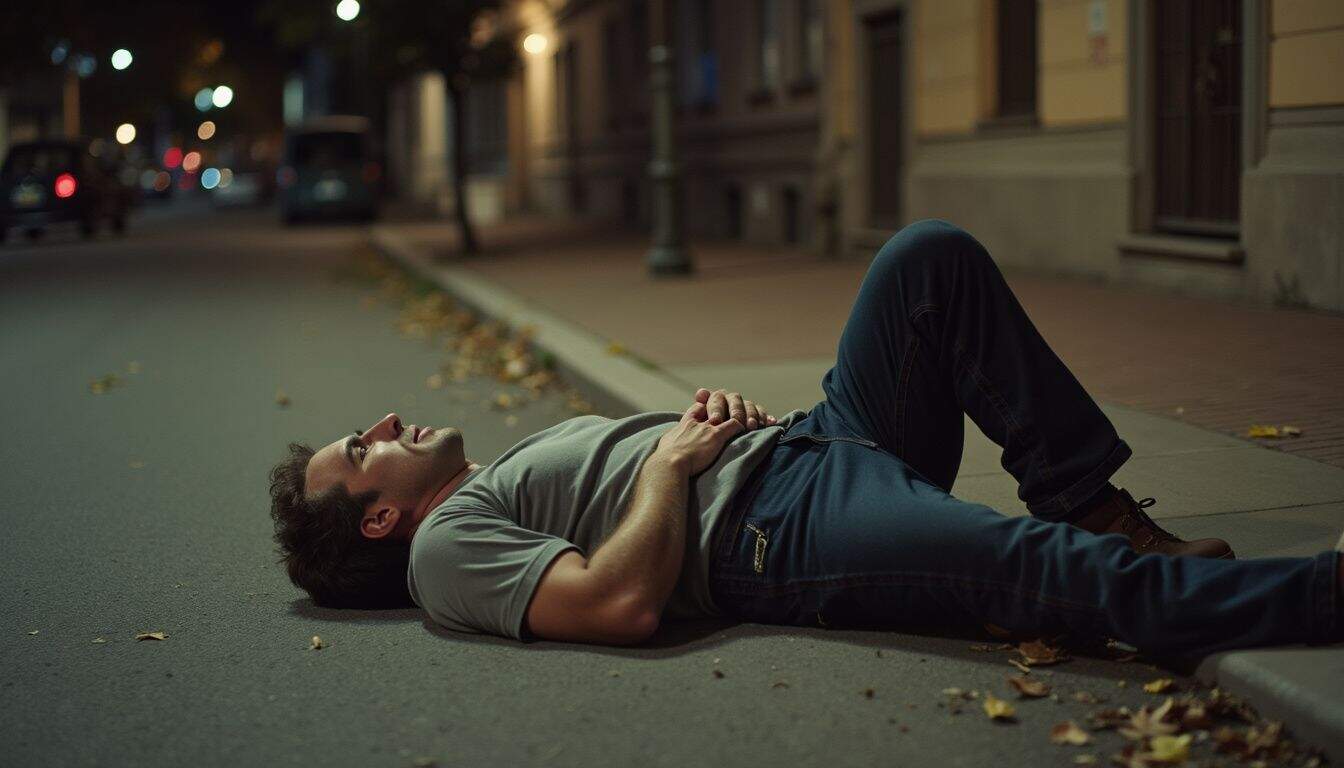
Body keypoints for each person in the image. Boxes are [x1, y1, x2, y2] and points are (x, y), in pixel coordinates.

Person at [269, 219, 1343, 656]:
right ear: (379, 516)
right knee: (1036, 573)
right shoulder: (440, 555)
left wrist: (704, 437)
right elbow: (619, 603)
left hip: (813, 445)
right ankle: (1319, 596)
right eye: (359, 451)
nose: (378, 427)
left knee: (924, 262)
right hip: (779, 531)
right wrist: (672, 464)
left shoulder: (481, 490)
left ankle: (1094, 501)